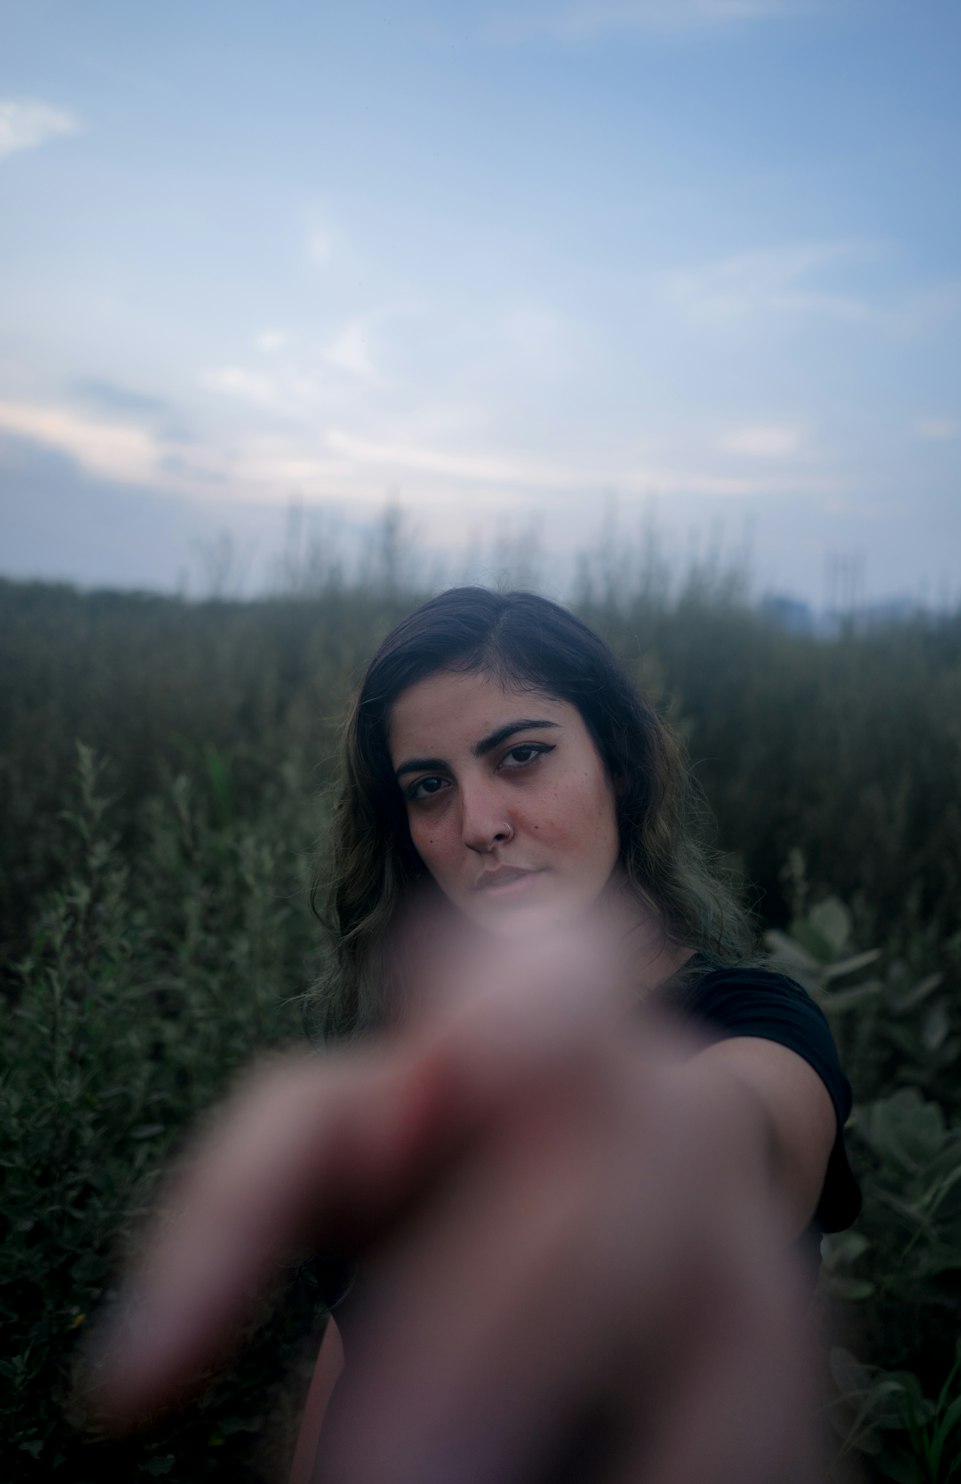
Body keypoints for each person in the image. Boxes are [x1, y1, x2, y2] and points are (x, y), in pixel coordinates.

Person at [87, 587, 860, 1484]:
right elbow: (359, 1360)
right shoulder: (401, 1073)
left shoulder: (754, 1020)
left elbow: (744, 1136)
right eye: (428, 787)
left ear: (620, 761)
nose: (478, 823)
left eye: (523, 756)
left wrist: (643, 1144)